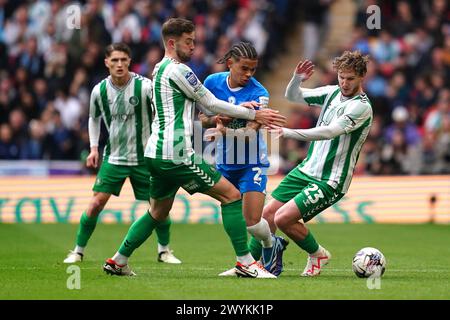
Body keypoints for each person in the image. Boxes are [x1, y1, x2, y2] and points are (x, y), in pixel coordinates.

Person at [102, 18, 286, 278]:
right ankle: (245, 262)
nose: (194, 46)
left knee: (157, 211)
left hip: (154, 152)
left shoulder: (160, 68)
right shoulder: (180, 71)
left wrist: (239, 114)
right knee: (231, 195)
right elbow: (210, 103)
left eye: (194, 40)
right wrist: (253, 115)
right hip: (176, 153)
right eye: (189, 41)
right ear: (172, 42)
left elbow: (208, 110)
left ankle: (118, 260)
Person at [63, 43, 181, 265]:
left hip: (145, 158)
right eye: (115, 60)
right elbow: (93, 118)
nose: (119, 64)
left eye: (123, 60)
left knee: (159, 207)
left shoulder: (145, 87)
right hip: (114, 158)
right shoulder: (99, 90)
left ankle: (164, 250)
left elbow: (162, 113)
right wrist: (94, 148)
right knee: (96, 204)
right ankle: (77, 251)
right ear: (106, 62)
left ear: (129, 61)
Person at [265, 51, 373, 276]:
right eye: (341, 77)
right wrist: (296, 79)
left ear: (362, 76)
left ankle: (317, 254)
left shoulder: (361, 107)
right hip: (306, 169)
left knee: (283, 218)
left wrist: (288, 132)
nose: (344, 82)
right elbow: (293, 97)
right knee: (267, 215)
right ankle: (253, 265)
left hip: (330, 179)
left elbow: (330, 132)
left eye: (350, 78)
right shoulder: (332, 93)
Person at [198, 41, 288, 277]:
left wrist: (224, 129)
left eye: (253, 69)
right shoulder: (212, 83)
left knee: (252, 222)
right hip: (225, 163)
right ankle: (244, 261)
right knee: (232, 217)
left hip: (251, 162)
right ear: (230, 64)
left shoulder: (260, 94)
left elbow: (249, 134)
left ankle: (270, 244)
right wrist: (220, 118)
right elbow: (202, 118)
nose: (249, 74)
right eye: (244, 68)